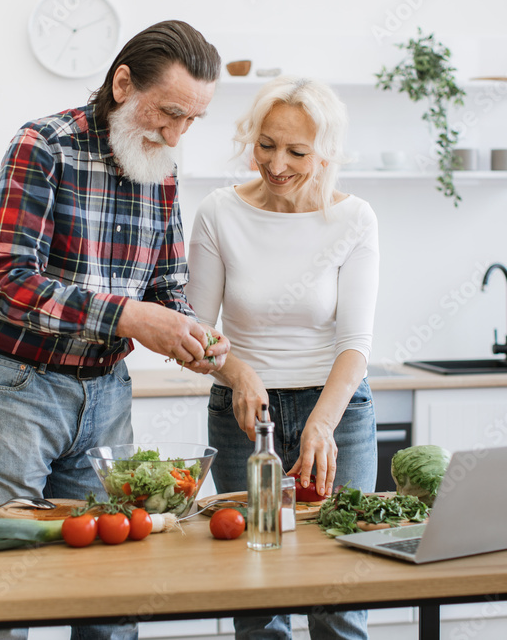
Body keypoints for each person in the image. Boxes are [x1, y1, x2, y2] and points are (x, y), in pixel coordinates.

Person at [0, 20, 228, 640]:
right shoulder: (43, 146)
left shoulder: (163, 166)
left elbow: (164, 283)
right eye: (169, 113)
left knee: (113, 593)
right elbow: (3, 280)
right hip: (14, 391)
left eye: (192, 121)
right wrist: (127, 316)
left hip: (107, 393)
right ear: (123, 84)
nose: (177, 133)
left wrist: (189, 328)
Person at [186, 76, 379, 640]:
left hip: (338, 415)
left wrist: (323, 423)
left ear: (327, 153)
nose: (277, 164)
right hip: (243, 416)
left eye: (297, 151)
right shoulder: (219, 213)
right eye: (266, 144)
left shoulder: (354, 219)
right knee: (259, 596)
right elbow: (198, 332)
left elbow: (354, 345)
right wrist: (238, 370)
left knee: (339, 596)